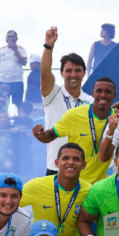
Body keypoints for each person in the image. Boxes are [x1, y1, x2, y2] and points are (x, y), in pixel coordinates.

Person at [33, 77, 115, 184]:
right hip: (74, 185)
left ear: (114, 95)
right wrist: (40, 135)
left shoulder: (118, 120)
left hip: (98, 188)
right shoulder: (75, 114)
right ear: (93, 93)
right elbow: (50, 135)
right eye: (99, 91)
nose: (103, 95)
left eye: (108, 92)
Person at [40, 26, 94, 175]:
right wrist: (48, 45)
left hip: (83, 169)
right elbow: (45, 73)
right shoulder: (53, 94)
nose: (73, 74)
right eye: (69, 70)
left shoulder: (91, 102)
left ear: (84, 73)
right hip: (55, 167)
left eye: (77, 70)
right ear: (61, 73)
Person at [0, 30, 28, 109]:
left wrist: (15, 50)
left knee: (19, 104)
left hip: (17, 81)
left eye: (12, 36)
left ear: (16, 38)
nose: (10, 38)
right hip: (3, 82)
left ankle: (20, 120)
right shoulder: (0, 50)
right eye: (8, 36)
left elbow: (24, 63)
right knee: (1, 104)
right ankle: (2, 121)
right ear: (6, 38)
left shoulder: (21, 49)